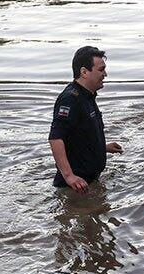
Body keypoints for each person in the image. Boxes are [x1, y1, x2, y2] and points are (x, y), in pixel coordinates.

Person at [49, 46, 122, 193]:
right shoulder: (70, 99)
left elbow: (80, 134)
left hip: (89, 182)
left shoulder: (87, 96)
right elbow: (56, 138)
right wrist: (69, 177)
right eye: (101, 70)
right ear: (84, 72)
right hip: (75, 187)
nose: (105, 74)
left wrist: (103, 147)